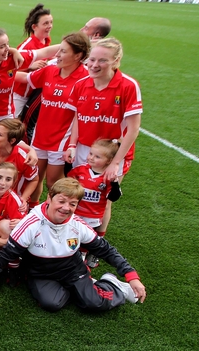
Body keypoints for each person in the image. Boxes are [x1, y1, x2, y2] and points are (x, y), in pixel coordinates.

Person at [0, 177, 146, 311]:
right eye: (61, 201)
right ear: (49, 198)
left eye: (73, 204)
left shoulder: (77, 225)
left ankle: (114, 286)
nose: (66, 208)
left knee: (92, 303)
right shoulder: (30, 224)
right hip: (40, 273)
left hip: (72, 269)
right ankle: (83, 288)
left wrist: (132, 276)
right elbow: (8, 253)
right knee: (50, 304)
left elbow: (106, 250)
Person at [66, 38, 141, 246]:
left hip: (112, 155)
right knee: (78, 195)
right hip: (84, 150)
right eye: (92, 59)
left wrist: (116, 161)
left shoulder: (128, 86)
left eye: (103, 61)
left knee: (104, 201)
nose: (94, 65)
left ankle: (97, 245)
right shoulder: (81, 84)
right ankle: (73, 237)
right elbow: (77, 119)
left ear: (116, 61)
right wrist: (72, 145)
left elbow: (133, 128)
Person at [21, 32, 90, 208]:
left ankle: (55, 214)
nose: (57, 54)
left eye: (63, 51)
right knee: (34, 177)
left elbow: (80, 116)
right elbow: (25, 79)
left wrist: (72, 144)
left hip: (62, 140)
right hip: (40, 135)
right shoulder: (50, 70)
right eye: (59, 50)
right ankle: (32, 209)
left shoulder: (85, 79)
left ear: (78, 56)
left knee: (54, 183)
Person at [0, 28, 57, 124]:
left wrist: (69, 45)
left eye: (8, 44)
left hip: (5, 118)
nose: (7, 49)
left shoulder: (12, 59)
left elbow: (44, 52)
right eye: (2, 47)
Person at [67, 139, 122, 269]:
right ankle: (71, 253)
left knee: (87, 239)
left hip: (93, 216)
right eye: (91, 154)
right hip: (76, 212)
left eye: (97, 156)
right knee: (72, 233)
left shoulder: (108, 177)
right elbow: (68, 180)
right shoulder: (80, 169)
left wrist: (114, 183)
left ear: (108, 161)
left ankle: (85, 254)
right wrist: (67, 164)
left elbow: (114, 197)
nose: (91, 158)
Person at [0, 118, 38, 210]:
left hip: (12, 200)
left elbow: (34, 180)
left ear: (11, 141)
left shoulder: (24, 157)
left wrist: (23, 198)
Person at [12, 4, 54, 116]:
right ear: (34, 27)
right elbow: (9, 72)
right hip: (19, 95)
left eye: (51, 22)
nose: (50, 26)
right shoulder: (26, 47)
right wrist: (30, 67)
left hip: (35, 94)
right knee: (10, 125)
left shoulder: (47, 42)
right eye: (45, 23)